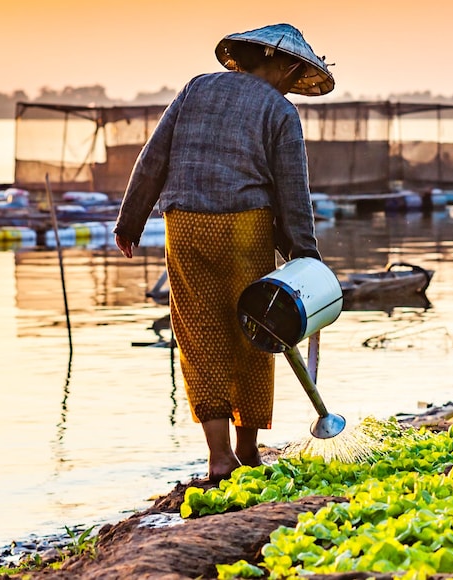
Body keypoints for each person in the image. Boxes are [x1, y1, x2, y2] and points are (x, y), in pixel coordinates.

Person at [113, 23, 334, 483]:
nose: (293, 86)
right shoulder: (280, 111)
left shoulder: (196, 88)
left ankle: (218, 458)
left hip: (185, 225)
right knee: (257, 333)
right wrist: (306, 257)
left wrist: (130, 220)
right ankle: (247, 451)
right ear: (286, 66)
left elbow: (153, 158)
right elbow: (294, 191)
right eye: (295, 77)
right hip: (243, 228)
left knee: (199, 335)